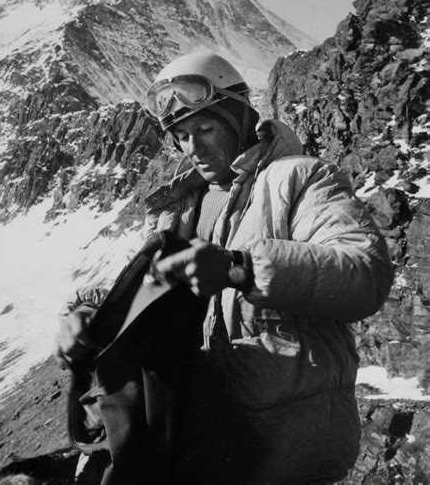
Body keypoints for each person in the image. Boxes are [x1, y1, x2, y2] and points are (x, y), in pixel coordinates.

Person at [56, 51, 393, 484]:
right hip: (205, 446)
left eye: (204, 128)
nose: (191, 147)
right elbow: (146, 296)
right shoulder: (179, 208)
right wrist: (88, 315)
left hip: (287, 454)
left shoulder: (301, 179)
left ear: (237, 118)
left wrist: (243, 268)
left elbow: (365, 272)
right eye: (180, 134)